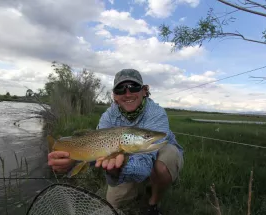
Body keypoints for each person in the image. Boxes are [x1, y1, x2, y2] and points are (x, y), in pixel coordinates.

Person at [47, 69, 184, 215]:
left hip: (156, 156)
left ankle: (153, 203)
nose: (128, 93)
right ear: (114, 96)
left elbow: (144, 165)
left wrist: (122, 164)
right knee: (112, 204)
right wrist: (73, 160)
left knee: (167, 156)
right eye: (120, 89)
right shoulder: (108, 116)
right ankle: (143, 185)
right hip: (127, 157)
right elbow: (94, 149)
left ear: (144, 91)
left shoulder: (156, 114)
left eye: (134, 87)